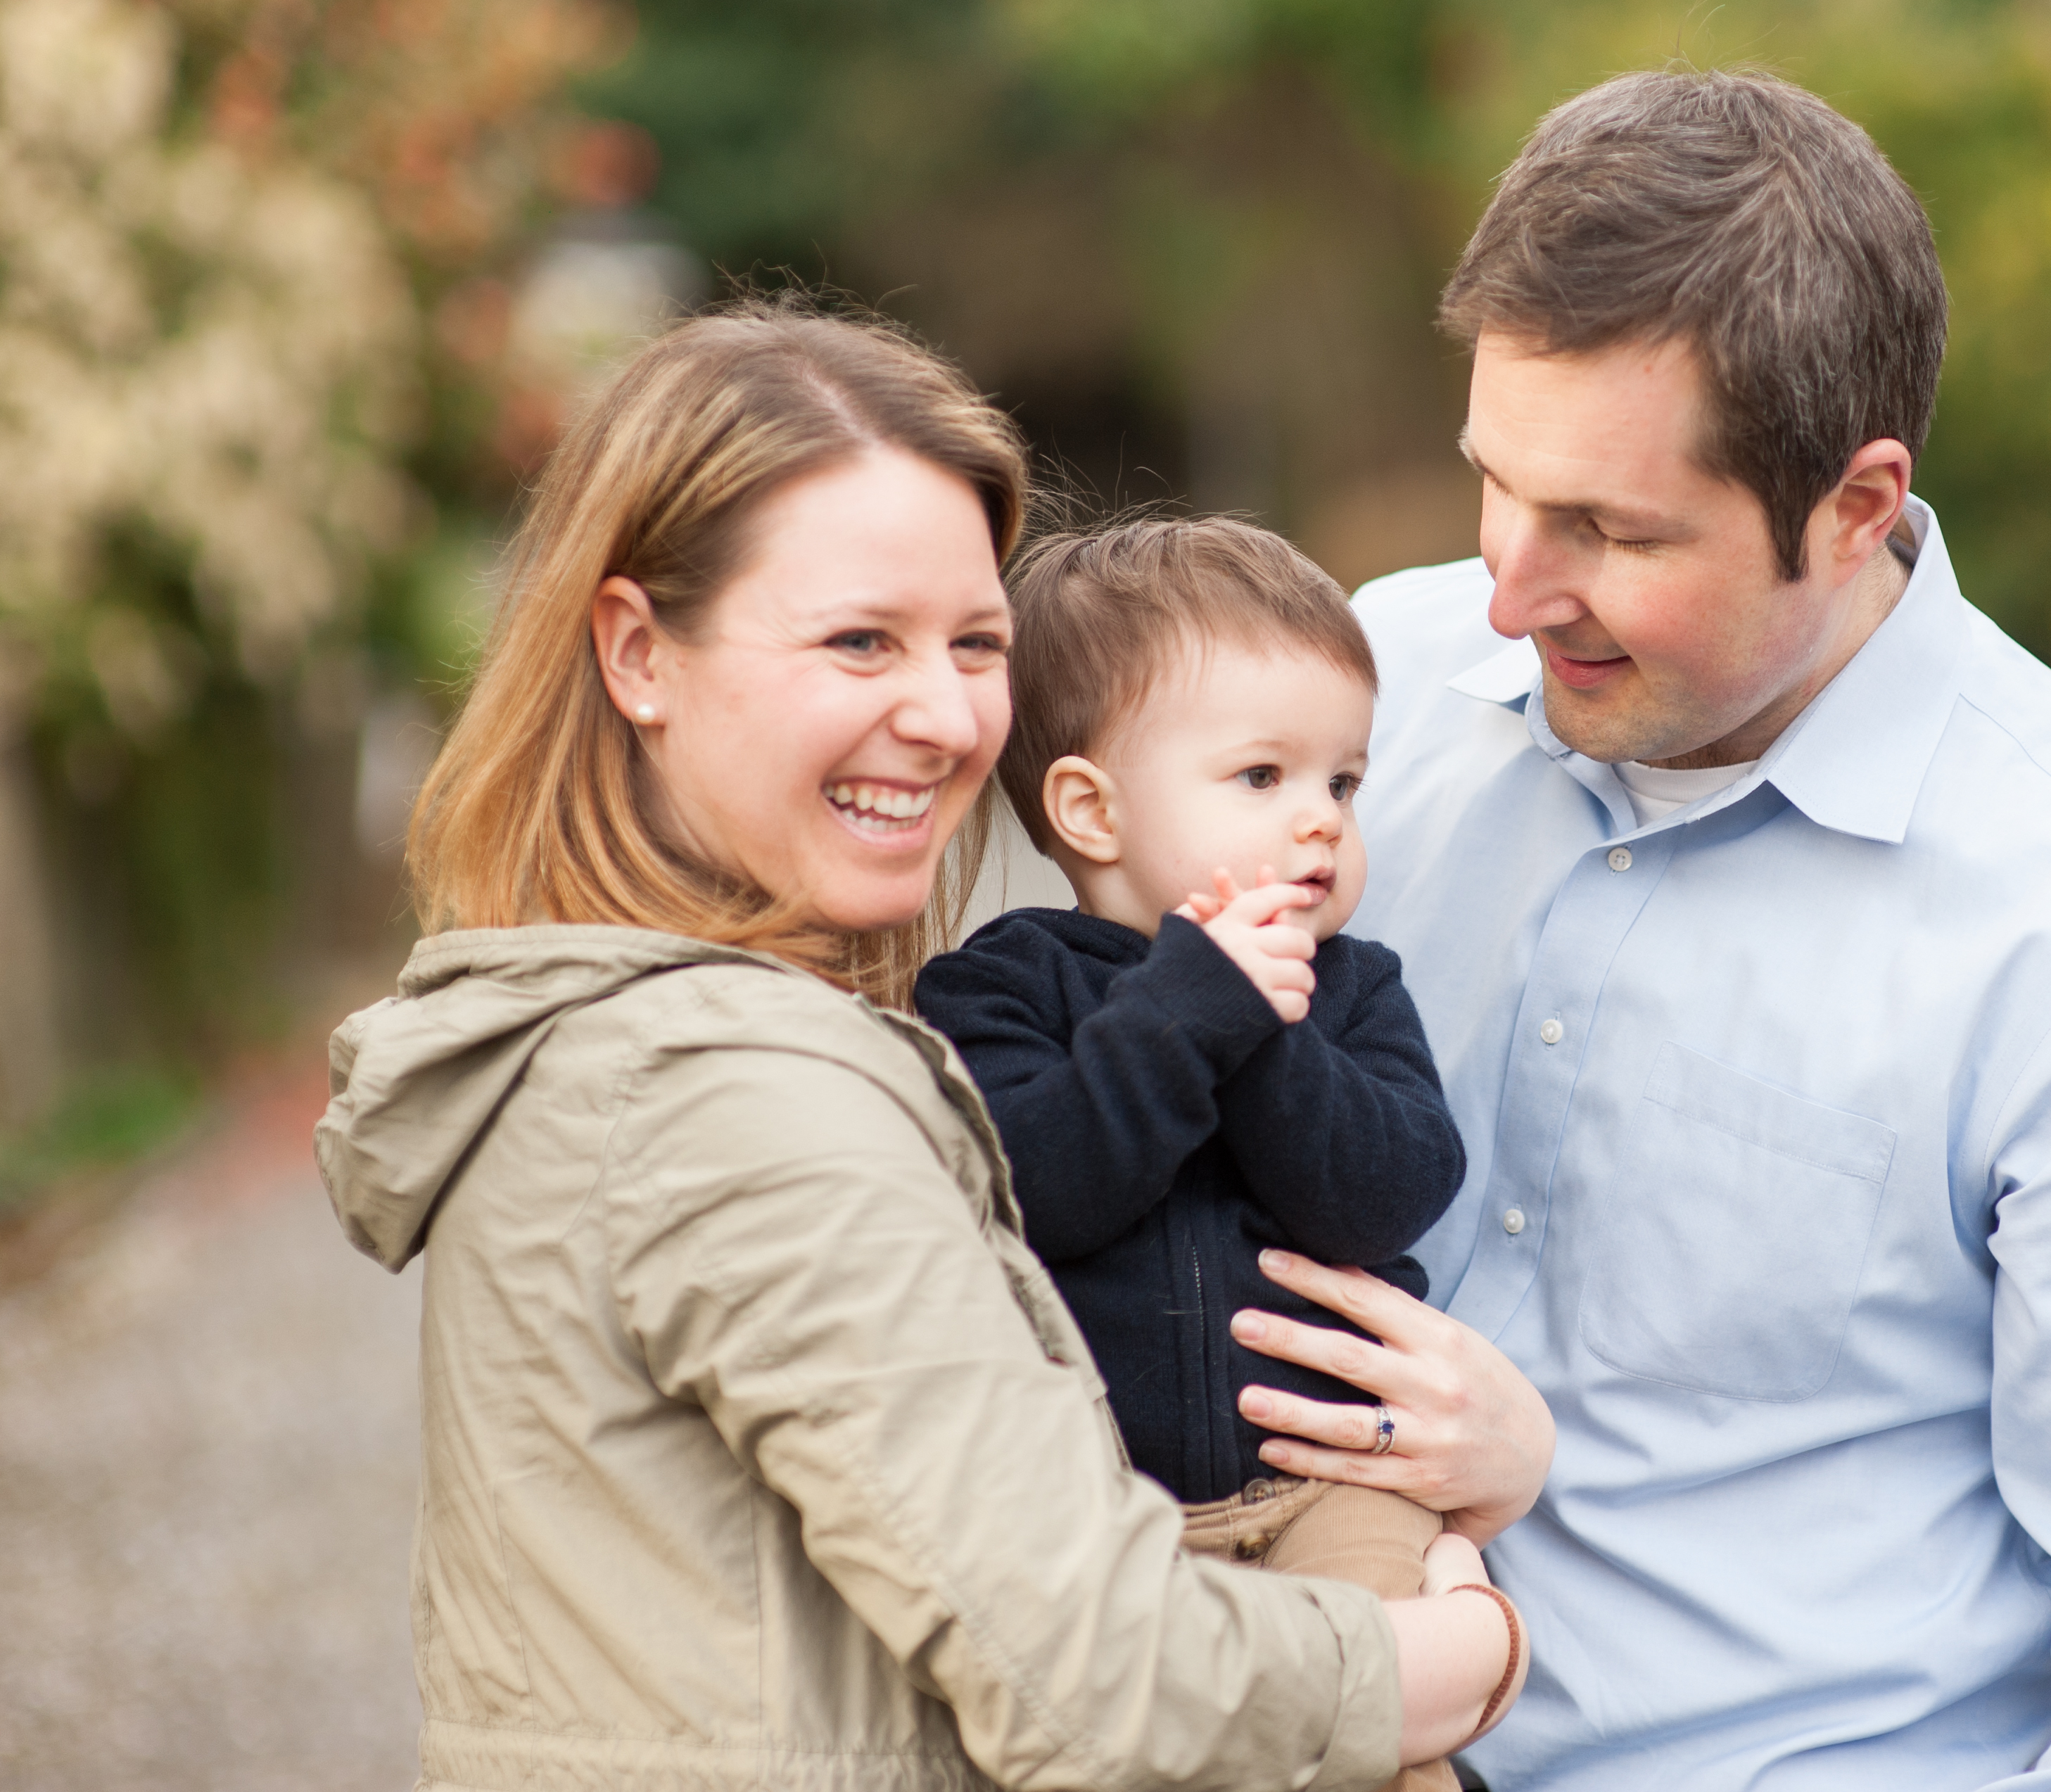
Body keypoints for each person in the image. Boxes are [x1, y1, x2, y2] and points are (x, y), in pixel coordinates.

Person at [1235, 68, 2051, 1789]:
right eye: (1497, 483)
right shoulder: (1355, 709)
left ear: (1854, 508)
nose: (1506, 589)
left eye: (1609, 531)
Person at [313, 300, 1528, 1792]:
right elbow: (1094, 1673)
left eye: (975, 643)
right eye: (857, 641)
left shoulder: (607, 1029)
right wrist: (1466, 1654)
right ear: (637, 653)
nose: (948, 716)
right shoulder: (737, 1094)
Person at [912, 518, 1475, 1791]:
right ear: (1090, 810)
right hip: (1109, 1523)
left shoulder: (1353, 992)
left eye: (1343, 783)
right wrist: (1192, 1012)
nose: (1320, 824)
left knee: (1374, 1738)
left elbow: (1388, 1194)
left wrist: (1267, 1032)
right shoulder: (998, 992)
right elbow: (1033, 1195)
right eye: (1263, 779)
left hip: (1334, 1488)